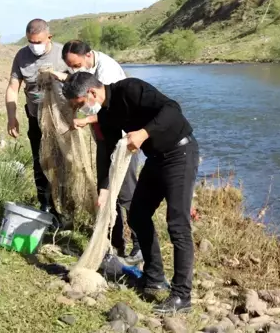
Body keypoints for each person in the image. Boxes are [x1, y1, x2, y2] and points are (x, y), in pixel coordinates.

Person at [61, 72, 199, 314]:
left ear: (92, 93)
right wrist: (104, 189)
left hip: (180, 153)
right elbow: (111, 154)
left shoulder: (131, 89)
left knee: (177, 225)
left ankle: (181, 295)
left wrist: (144, 133)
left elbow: (172, 109)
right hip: (155, 159)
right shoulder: (106, 114)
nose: (81, 110)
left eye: (80, 104)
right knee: (137, 216)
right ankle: (154, 277)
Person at [50, 40, 142, 264]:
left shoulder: (107, 71)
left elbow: (109, 110)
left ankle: (141, 246)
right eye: (70, 66)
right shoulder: (85, 70)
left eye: (77, 64)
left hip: (123, 141)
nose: (75, 70)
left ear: (89, 56)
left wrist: (85, 119)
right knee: (107, 192)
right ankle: (115, 242)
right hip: (104, 138)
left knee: (127, 194)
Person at [5, 18, 69, 223]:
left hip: (61, 119)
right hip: (35, 118)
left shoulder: (63, 54)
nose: (35, 46)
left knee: (63, 163)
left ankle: (66, 208)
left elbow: (80, 80)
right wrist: (11, 117)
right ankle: (46, 205)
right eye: (31, 41)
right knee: (40, 162)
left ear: (49, 37)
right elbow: (13, 88)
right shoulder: (21, 56)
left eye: (39, 41)